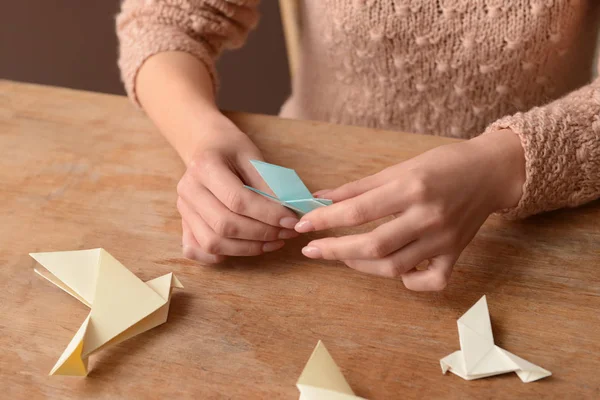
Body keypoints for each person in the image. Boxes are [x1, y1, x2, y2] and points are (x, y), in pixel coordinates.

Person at [116, 1, 600, 291]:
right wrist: (202, 136)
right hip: (309, 190)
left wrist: (503, 164)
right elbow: (163, 19)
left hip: (535, 222)